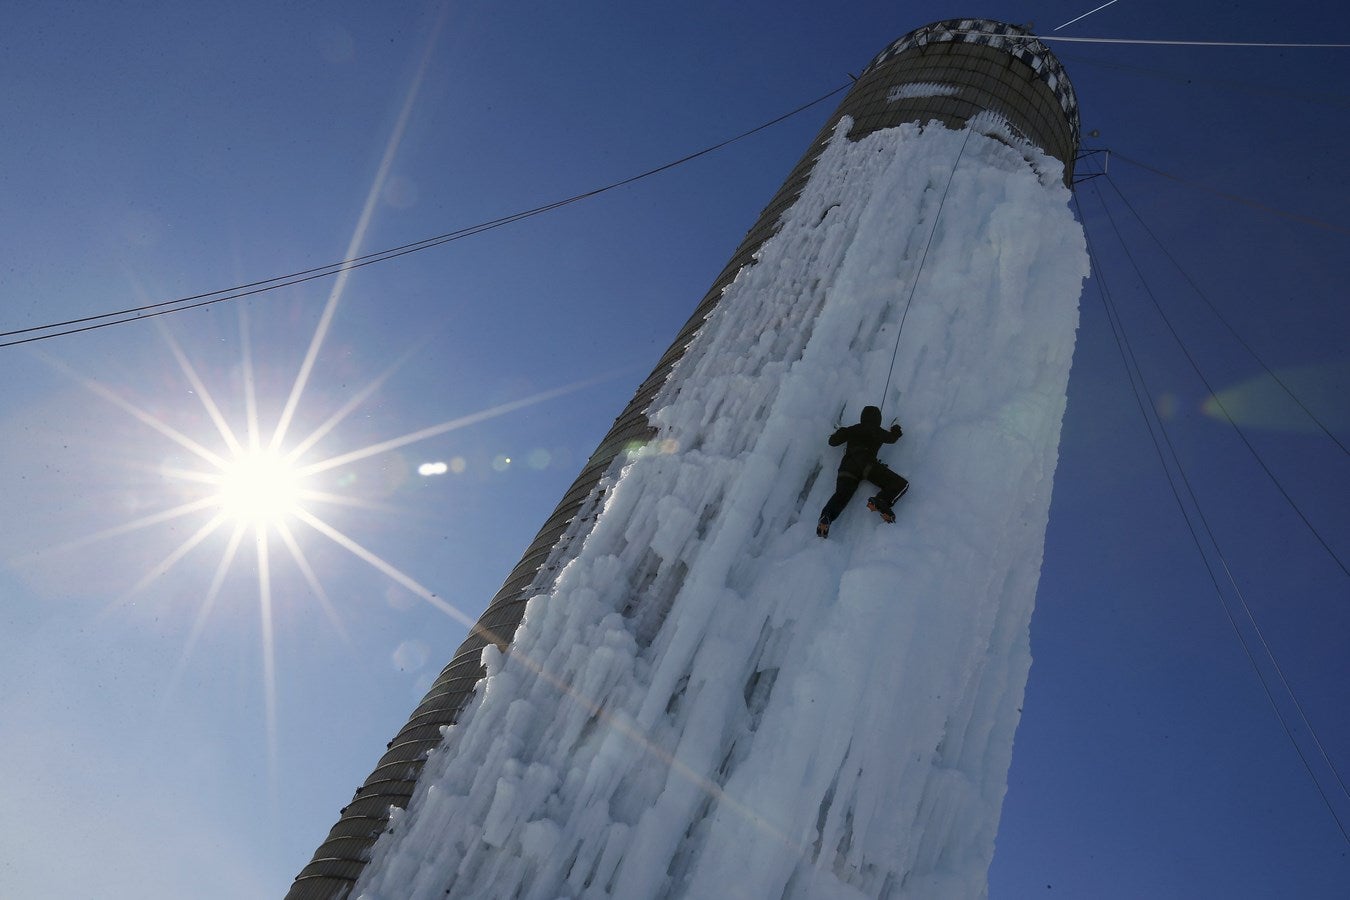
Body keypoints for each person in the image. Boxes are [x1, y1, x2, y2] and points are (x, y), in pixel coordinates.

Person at [816, 405, 909, 538]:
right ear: (878, 419)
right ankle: (881, 500)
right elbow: (892, 438)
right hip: (867, 465)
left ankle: (826, 517)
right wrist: (896, 428)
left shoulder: (852, 429)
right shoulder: (877, 430)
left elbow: (832, 442)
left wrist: (840, 432)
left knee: (841, 495)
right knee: (900, 484)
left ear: (862, 417)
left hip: (847, 469)